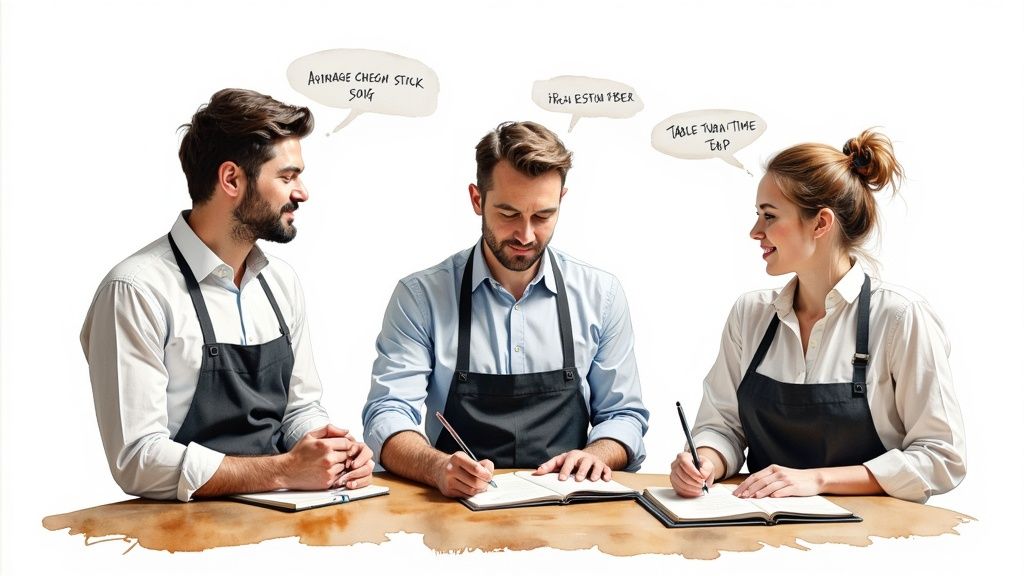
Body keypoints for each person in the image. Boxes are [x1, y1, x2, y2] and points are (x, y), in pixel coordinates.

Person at [81, 88, 373, 501]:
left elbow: (299, 408)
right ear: (232, 179)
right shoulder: (136, 291)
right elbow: (138, 460)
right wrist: (284, 470)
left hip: (284, 516)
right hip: (181, 538)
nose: (302, 192)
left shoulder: (281, 283)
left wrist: (328, 449)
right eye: (287, 176)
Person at [671, 130, 966, 504]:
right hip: (761, 529)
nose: (755, 231)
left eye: (769, 216)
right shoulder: (750, 314)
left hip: (871, 541)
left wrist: (819, 480)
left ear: (821, 223)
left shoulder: (900, 318)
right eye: (757, 215)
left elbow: (942, 456)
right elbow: (722, 425)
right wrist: (705, 461)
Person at [362, 121, 649, 498]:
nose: (526, 235)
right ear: (477, 199)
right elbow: (387, 413)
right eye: (509, 213)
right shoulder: (421, 298)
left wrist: (598, 454)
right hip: (457, 508)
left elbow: (623, 416)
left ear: (562, 199)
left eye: (543, 216)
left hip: (570, 508)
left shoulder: (601, 295)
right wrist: (436, 467)